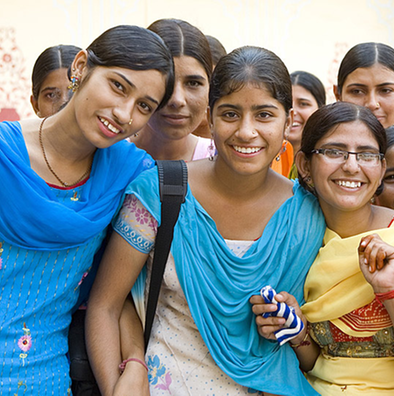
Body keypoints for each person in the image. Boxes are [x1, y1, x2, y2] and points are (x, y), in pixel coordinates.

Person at [86, 45, 325, 396]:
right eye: (230, 114)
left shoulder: (309, 213)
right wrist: (118, 383)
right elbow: (105, 305)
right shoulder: (159, 193)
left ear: (288, 122)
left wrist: (297, 328)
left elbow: (321, 349)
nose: (246, 132)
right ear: (209, 119)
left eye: (264, 115)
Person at [0, 25, 174, 395]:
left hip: (40, 378)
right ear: (80, 66)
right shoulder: (4, 155)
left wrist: (133, 362)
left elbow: (117, 293)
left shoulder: (131, 176)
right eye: (118, 86)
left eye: (144, 106)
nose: (124, 113)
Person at [252, 101, 394, 395]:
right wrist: (297, 332)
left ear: (381, 168)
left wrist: (390, 292)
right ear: (304, 165)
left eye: (366, 155)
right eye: (334, 152)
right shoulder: (293, 238)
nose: (351, 166)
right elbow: (323, 362)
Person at [129, 19, 213, 162]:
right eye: (167, 82)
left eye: (193, 83)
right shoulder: (105, 154)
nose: (177, 100)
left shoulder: (224, 162)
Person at [334, 42, 394, 129]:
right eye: (357, 91)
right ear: (338, 95)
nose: (372, 104)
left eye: (385, 90)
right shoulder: (321, 142)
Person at [273, 70, 325, 178]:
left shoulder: (326, 158)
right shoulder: (264, 156)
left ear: (321, 109)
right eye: (287, 104)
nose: (293, 112)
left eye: (303, 104)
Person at [29, 44, 81, 118]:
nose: (64, 106)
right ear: (36, 106)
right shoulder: (12, 129)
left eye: (74, 92)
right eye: (51, 95)